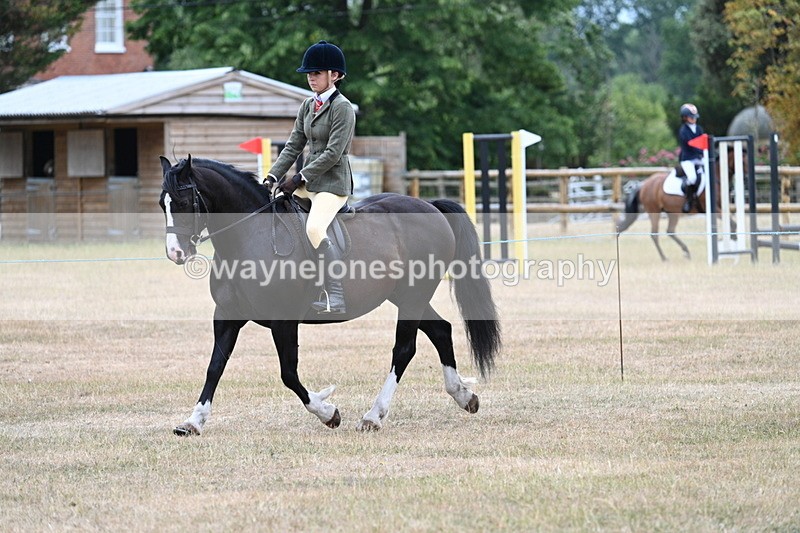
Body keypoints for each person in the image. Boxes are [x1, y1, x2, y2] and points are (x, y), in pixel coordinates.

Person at [267, 40, 355, 314]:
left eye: (317, 72)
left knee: (315, 228)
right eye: (309, 73)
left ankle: (336, 295)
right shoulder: (308, 105)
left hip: (333, 185)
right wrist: (273, 175)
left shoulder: (343, 108)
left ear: (335, 75)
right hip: (310, 183)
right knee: (280, 211)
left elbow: (332, 153)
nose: (311, 77)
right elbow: (293, 145)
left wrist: (298, 178)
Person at [678, 103, 704, 213]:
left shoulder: (699, 128)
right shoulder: (683, 131)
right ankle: (689, 201)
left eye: (695, 117)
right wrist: (701, 150)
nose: (694, 119)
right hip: (688, 159)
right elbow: (691, 144)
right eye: (691, 117)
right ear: (685, 118)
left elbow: (703, 140)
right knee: (693, 178)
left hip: (699, 158)